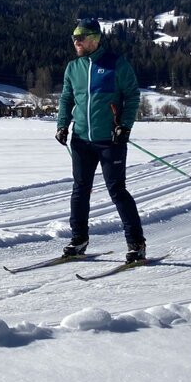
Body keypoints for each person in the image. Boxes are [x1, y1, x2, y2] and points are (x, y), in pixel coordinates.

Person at [54, 18, 146, 264]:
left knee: (117, 190)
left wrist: (124, 127)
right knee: (80, 190)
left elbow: (132, 96)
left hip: (110, 140)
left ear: (95, 39)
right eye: (74, 37)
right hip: (81, 140)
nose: (76, 41)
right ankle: (79, 239)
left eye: (81, 37)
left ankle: (136, 243)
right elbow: (66, 99)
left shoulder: (117, 64)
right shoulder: (73, 68)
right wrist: (62, 125)